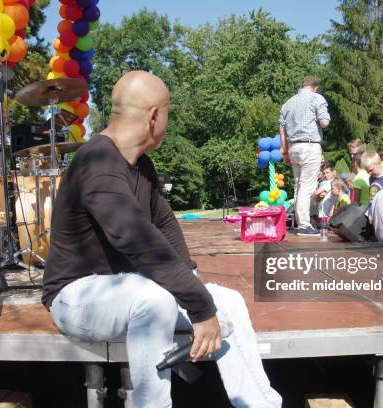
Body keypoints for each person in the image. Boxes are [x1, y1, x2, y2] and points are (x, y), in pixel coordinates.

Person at [42, 71, 282, 408]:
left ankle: (261, 405)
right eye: (168, 113)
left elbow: (165, 225)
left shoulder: (141, 165)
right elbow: (137, 240)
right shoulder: (97, 162)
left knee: (228, 302)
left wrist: (195, 288)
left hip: (130, 289)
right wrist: (198, 307)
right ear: (155, 115)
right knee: (155, 300)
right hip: (76, 297)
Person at [280, 76, 331, 235]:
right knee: (307, 187)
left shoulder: (288, 102)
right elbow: (324, 123)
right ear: (314, 87)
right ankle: (304, 225)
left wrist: (285, 151)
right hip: (309, 146)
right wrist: (326, 117)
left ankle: (298, 222)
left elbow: (281, 129)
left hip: (294, 147)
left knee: (298, 185)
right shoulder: (316, 98)